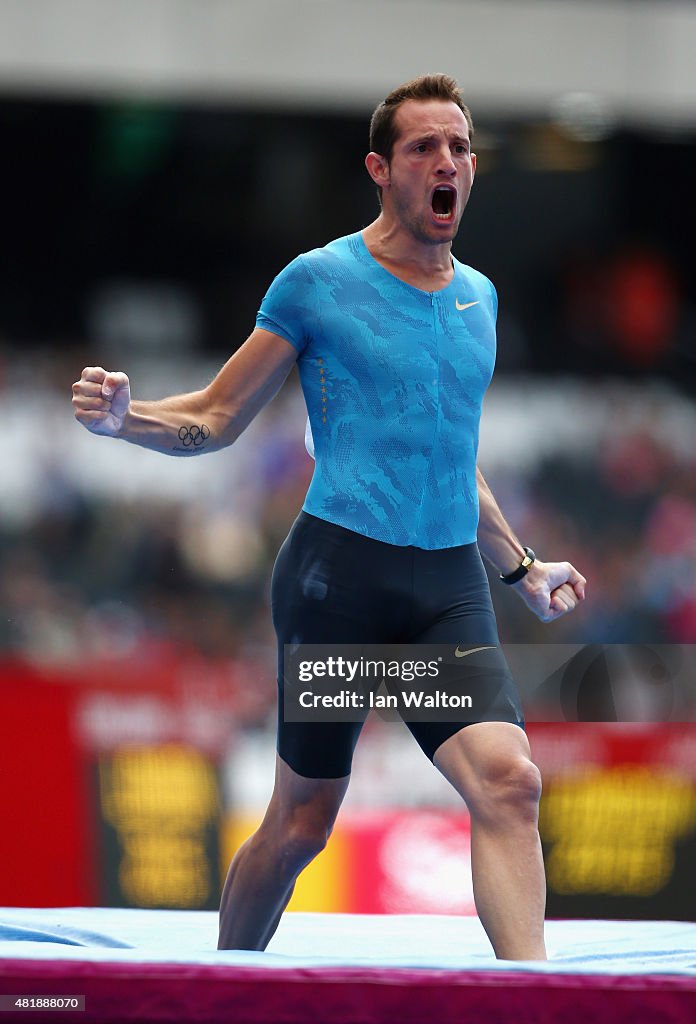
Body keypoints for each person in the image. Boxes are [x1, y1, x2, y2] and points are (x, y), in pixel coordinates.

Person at [72, 73, 586, 961]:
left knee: (510, 785)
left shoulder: (481, 301)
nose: (448, 163)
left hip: (445, 593)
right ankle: (225, 985)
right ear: (381, 169)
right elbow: (216, 417)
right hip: (339, 585)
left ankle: (531, 1006)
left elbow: (449, 460)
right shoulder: (319, 282)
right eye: (425, 147)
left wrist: (522, 569)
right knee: (303, 825)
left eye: (460, 148)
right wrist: (129, 420)